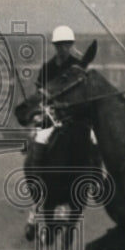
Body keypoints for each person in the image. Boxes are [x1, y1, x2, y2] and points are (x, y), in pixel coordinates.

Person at [29, 25, 84, 166]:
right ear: (55, 46)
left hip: (75, 115)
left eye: (66, 45)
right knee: (41, 138)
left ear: (71, 45)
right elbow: (39, 91)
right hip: (52, 114)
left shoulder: (77, 66)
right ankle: (37, 178)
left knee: (93, 138)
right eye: (59, 45)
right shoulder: (47, 68)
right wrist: (39, 111)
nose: (62, 48)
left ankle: (96, 180)